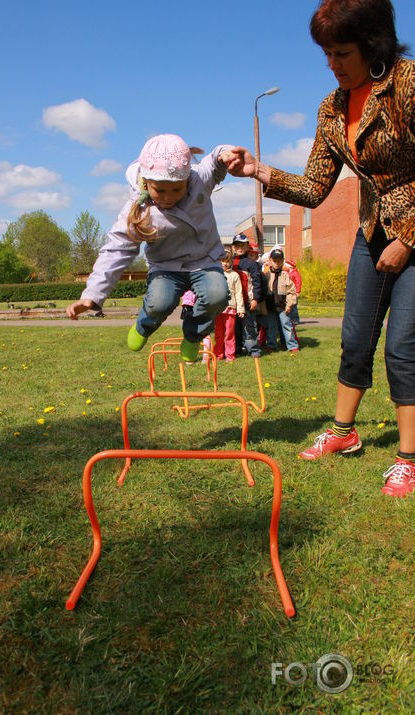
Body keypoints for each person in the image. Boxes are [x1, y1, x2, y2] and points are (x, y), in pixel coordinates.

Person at [228, 0, 415, 496]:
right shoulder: (332, 109)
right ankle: (344, 432)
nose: (331, 64)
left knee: (402, 348)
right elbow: (314, 187)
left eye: (341, 52)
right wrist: (258, 170)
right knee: (355, 338)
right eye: (326, 54)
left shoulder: (408, 84)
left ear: (373, 45)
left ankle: (409, 458)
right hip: (371, 232)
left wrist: (408, 238)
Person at [67, 134, 240, 362]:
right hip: (165, 266)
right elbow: (116, 249)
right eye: (160, 190)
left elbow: (215, 159)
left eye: (177, 190)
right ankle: (143, 326)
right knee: (160, 303)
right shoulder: (139, 209)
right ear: (145, 183)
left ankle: (193, 336)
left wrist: (226, 154)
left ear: (187, 179)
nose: (168, 198)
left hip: (204, 261)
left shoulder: (199, 180)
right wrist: (92, 295)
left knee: (218, 294)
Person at [231, 233, 266, 358]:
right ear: (233, 247)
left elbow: (257, 283)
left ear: (247, 246)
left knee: (249, 326)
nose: (240, 248)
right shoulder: (230, 263)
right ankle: (237, 348)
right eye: (237, 245)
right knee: (234, 327)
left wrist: (255, 299)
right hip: (233, 302)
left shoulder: (251, 264)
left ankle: (253, 349)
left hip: (248, 301)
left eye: (243, 245)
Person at [264, 248, 299, 354]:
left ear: (283, 261)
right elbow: (262, 291)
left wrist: (289, 305)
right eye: (275, 260)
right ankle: (271, 345)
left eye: (279, 260)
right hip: (270, 307)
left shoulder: (285, 275)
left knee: (287, 326)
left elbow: (291, 291)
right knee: (271, 328)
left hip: (283, 307)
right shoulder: (266, 275)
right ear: (270, 260)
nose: (277, 263)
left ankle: (292, 346)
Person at [214, 249, 245, 362]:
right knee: (218, 333)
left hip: (231, 308)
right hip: (218, 309)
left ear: (231, 262)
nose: (225, 264)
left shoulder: (234, 275)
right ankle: (218, 354)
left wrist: (240, 308)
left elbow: (238, 292)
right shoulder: (215, 274)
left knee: (229, 334)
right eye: (222, 261)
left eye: (227, 261)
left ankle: (230, 355)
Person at [285, 259, 302, 324]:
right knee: (291, 306)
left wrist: (298, 292)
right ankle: (292, 319)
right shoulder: (289, 273)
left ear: (290, 266)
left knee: (294, 306)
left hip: (294, 292)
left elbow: (298, 283)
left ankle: (295, 319)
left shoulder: (295, 274)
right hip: (291, 292)